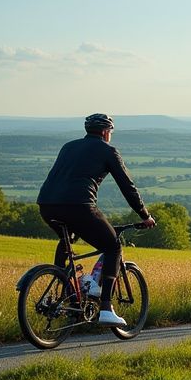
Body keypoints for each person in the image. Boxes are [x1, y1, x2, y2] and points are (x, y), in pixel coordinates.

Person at [37, 113, 157, 327]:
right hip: (79, 206)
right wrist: (144, 215)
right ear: (105, 132)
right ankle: (106, 308)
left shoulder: (68, 146)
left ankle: (68, 292)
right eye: (110, 132)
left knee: (67, 240)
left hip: (46, 205)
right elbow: (127, 186)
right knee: (112, 247)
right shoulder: (108, 150)